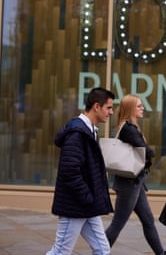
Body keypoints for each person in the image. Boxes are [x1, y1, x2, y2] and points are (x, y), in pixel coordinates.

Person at [47, 87, 115, 255]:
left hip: (86, 204)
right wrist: (86, 196)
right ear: (97, 107)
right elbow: (69, 171)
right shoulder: (77, 134)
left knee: (102, 249)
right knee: (61, 251)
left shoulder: (89, 131)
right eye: (109, 108)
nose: (111, 112)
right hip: (76, 205)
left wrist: (89, 198)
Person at [104, 94, 166, 255]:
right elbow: (146, 151)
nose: (142, 108)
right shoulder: (128, 129)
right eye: (139, 106)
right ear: (131, 108)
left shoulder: (130, 127)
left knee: (148, 221)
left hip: (135, 183)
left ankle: (161, 253)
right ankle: (99, 252)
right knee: (118, 223)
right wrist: (150, 151)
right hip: (129, 184)